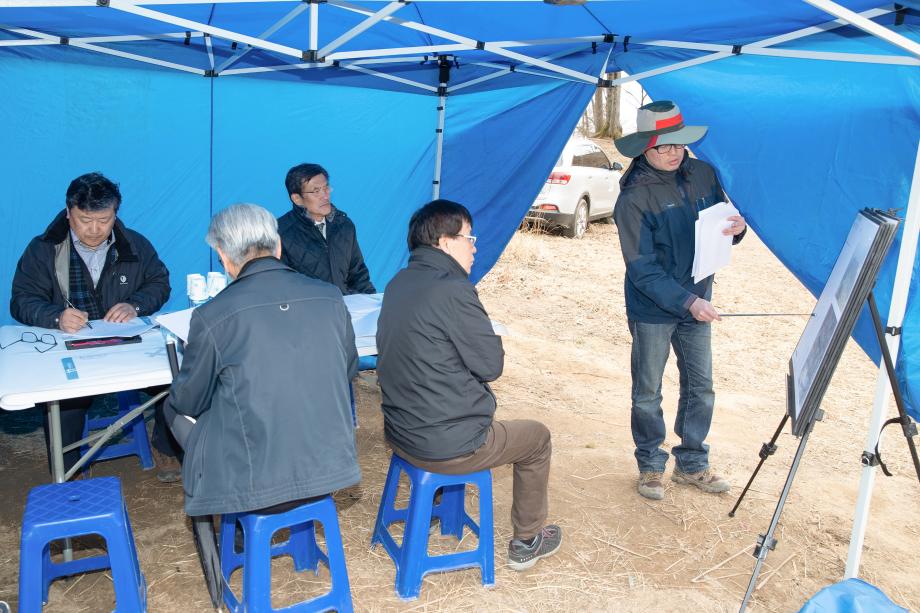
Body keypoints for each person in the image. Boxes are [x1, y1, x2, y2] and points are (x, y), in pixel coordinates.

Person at [376, 199, 561, 571]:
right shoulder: (453, 289)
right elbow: (491, 366)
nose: (474, 247)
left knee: (445, 397)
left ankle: (435, 508)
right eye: (469, 238)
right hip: (444, 444)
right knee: (537, 438)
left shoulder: (399, 282)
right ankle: (527, 540)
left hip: (401, 432)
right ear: (446, 242)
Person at [165, 203, 360, 518]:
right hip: (329, 470)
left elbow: (189, 400)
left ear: (223, 257)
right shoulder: (330, 296)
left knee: (172, 406)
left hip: (257, 483)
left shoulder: (212, 315)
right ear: (278, 246)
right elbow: (348, 368)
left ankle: (222, 512)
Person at [612, 100, 747, 501]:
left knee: (701, 386)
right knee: (648, 391)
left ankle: (692, 463)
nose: (673, 153)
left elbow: (721, 222)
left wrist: (736, 229)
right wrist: (687, 301)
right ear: (644, 148)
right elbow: (642, 269)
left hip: (698, 299)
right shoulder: (633, 199)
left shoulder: (704, 174)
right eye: (663, 147)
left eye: (678, 144)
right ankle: (650, 466)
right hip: (653, 307)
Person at [9, 172, 180, 480]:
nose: (95, 230)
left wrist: (135, 305)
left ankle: (166, 447)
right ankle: (69, 471)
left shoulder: (134, 245)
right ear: (68, 212)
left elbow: (159, 282)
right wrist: (56, 317)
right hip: (69, 350)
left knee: (177, 381)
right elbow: (21, 300)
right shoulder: (44, 249)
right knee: (62, 402)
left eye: (104, 220)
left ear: (115, 213)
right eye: (85, 220)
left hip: (126, 346)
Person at [277, 163, 376, 295]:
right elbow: (280, 287)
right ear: (297, 199)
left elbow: (358, 274)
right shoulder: (280, 233)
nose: (325, 195)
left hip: (346, 305)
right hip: (309, 307)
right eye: (316, 191)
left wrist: (372, 301)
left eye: (326, 188)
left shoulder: (344, 225)